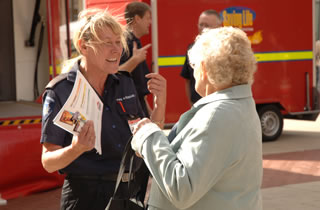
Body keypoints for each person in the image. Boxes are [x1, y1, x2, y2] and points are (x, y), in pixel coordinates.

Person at [40, 8, 166, 210]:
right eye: (108, 43)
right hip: (85, 196)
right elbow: (48, 162)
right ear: (83, 47)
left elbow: (147, 138)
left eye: (118, 42)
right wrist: (76, 149)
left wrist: (159, 106)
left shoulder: (124, 83)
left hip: (128, 191)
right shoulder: (61, 91)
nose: (117, 50)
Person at [131, 27, 263, 210]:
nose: (193, 73)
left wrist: (148, 136)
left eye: (193, 66)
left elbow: (182, 189)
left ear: (204, 68)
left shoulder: (217, 115)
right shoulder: (241, 105)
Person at [180, 9, 222, 105]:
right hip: (197, 104)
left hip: (218, 105)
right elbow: (188, 80)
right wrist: (191, 104)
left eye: (207, 25)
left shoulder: (224, 49)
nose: (203, 28)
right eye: (201, 24)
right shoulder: (192, 49)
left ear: (218, 27)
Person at [119, 1, 153, 117]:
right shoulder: (125, 42)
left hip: (138, 107)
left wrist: (148, 111)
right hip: (130, 110)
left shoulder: (134, 42)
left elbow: (139, 87)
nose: (150, 22)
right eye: (148, 18)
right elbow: (115, 73)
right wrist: (135, 60)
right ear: (137, 18)